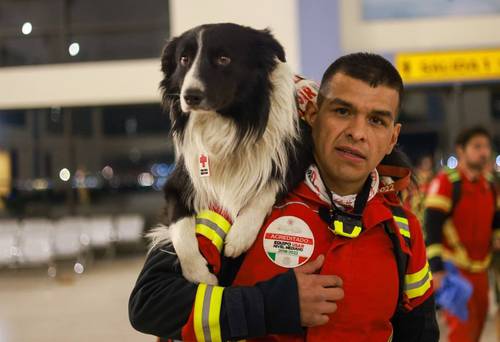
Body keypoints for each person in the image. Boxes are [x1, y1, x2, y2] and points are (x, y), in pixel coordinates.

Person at [129, 53, 439, 341]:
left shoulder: (402, 230)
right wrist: (271, 304)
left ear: (392, 138)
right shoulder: (237, 198)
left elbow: (420, 331)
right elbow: (151, 302)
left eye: (376, 120)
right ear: (313, 114)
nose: (357, 132)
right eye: (343, 111)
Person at [424, 126, 500, 342]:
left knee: (476, 331)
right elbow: (432, 228)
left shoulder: (489, 185)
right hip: (455, 272)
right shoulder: (446, 183)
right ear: (461, 150)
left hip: (482, 270)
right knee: (461, 335)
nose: (484, 152)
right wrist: (437, 270)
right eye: (477, 146)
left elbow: (495, 220)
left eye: (486, 146)